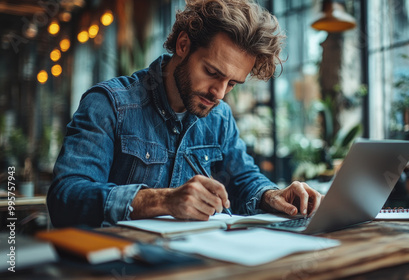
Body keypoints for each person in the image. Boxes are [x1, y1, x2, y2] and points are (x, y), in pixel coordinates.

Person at [47, 0, 322, 228]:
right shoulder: (110, 104)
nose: (219, 93)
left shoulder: (220, 117)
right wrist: (161, 201)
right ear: (183, 45)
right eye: (212, 73)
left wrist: (272, 195)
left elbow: (242, 178)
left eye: (232, 83)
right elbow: (65, 197)